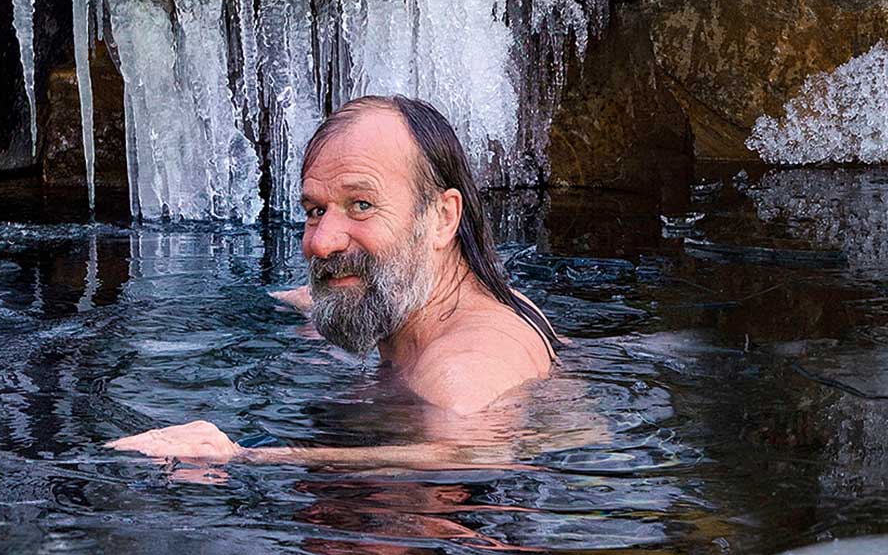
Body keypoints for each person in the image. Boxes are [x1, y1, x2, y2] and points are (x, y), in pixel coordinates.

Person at [107, 94, 559, 470]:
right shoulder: (479, 299)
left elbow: (468, 453)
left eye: (361, 205)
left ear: (442, 218)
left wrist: (242, 457)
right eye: (315, 210)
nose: (321, 243)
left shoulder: (456, 371)